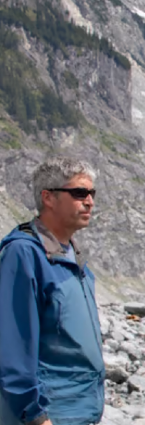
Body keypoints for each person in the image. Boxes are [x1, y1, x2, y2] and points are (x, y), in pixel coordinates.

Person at [0, 157, 104, 425]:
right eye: (79, 193)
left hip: (80, 412)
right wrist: (35, 415)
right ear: (48, 197)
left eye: (91, 193)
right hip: (48, 415)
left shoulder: (73, 257)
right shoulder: (24, 254)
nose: (89, 201)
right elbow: (12, 346)